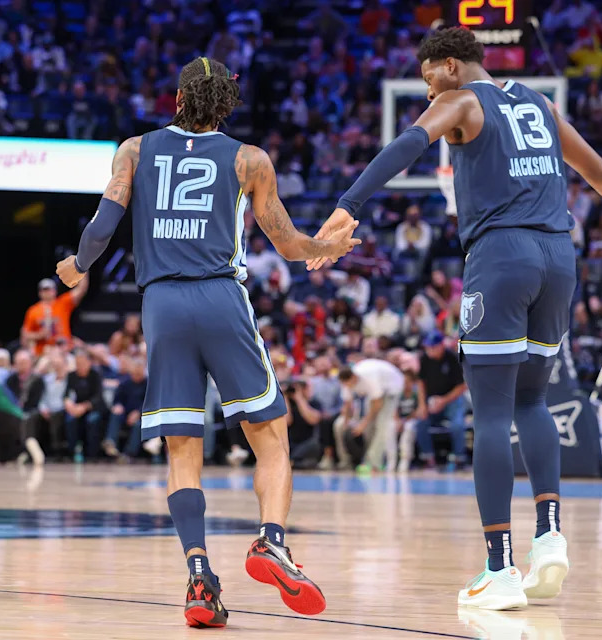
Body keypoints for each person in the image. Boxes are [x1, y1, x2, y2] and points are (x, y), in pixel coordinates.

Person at [306, 28, 602, 609]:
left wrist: (347, 206)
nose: (426, 93)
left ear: (449, 66)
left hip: (502, 257)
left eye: (427, 79)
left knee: (490, 413)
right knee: (532, 401)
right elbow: (599, 170)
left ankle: (500, 569)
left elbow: (405, 147)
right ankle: (549, 536)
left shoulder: (462, 98)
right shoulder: (540, 104)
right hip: (558, 258)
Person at [54, 57, 358, 626]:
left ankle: (198, 575)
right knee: (270, 437)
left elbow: (102, 226)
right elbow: (288, 241)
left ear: (176, 100)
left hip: (162, 305)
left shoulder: (135, 150)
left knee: (182, 449)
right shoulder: (249, 160)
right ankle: (270, 540)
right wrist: (326, 246)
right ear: (225, 107)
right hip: (221, 298)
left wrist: (75, 266)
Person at [336, 358, 403, 472]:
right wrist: (347, 421)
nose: (348, 387)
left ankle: (374, 463)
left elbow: (378, 403)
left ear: (354, 378)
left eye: (350, 384)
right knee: (364, 425)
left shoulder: (369, 377)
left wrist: (363, 423)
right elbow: (347, 403)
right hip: (375, 395)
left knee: (382, 424)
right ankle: (355, 460)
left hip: (392, 388)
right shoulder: (346, 381)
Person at [415, 331, 468, 470]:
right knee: (421, 422)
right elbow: (421, 383)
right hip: (431, 400)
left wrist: (443, 401)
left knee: (457, 425)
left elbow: (462, 386)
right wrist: (422, 405)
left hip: (451, 399)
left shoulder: (452, 358)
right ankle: (428, 457)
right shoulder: (424, 359)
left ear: (441, 346)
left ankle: (459, 458)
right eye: (427, 347)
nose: (429, 350)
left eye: (432, 347)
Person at [21, 277, 88, 356]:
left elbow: (81, 289)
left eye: (49, 289)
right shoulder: (33, 310)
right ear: (39, 292)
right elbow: (25, 335)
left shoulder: (63, 303)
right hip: (43, 352)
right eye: (44, 290)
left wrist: (83, 269)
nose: (47, 292)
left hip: (65, 349)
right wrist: (39, 335)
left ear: (55, 291)